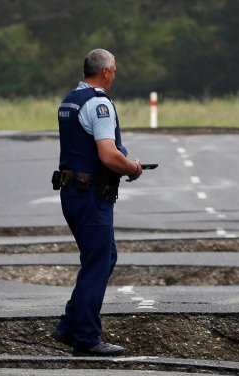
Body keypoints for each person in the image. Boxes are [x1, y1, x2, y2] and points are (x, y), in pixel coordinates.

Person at [52, 48, 143, 357]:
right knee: (99, 263)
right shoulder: (99, 103)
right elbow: (107, 153)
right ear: (105, 72)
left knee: (103, 258)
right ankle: (87, 337)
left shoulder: (69, 100)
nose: (115, 75)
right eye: (114, 70)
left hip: (71, 191)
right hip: (90, 194)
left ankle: (69, 326)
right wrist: (131, 167)